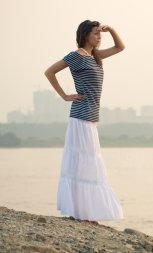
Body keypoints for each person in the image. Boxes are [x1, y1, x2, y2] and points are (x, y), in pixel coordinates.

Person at [44, 20, 125, 225]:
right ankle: (81, 213)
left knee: (88, 163)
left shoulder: (96, 57)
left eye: (100, 34)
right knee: (83, 164)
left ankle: (84, 212)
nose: (99, 37)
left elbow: (120, 47)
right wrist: (64, 95)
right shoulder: (76, 56)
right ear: (85, 34)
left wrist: (112, 29)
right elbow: (50, 72)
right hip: (80, 116)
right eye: (96, 33)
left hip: (91, 118)